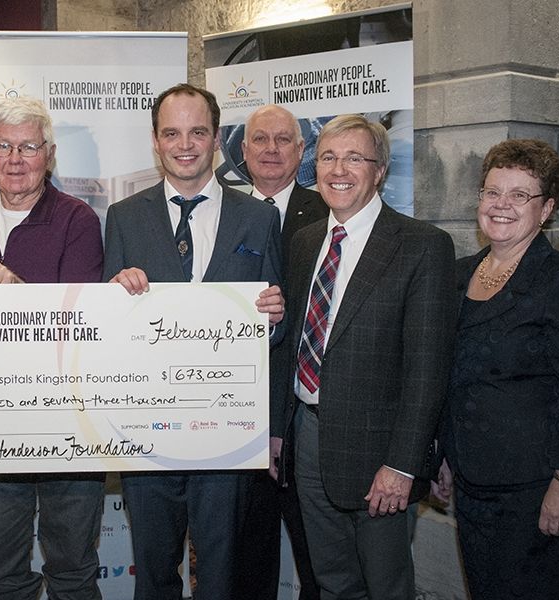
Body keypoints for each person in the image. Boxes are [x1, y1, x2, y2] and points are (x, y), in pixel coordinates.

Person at [103, 83, 285, 600]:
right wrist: (114, 300)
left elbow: (276, 327)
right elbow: (104, 336)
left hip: (227, 438)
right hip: (147, 435)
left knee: (222, 576)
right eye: (172, 133)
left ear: (216, 140)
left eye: (198, 132)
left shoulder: (258, 217)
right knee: (154, 574)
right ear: (156, 142)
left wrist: (275, 317)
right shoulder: (124, 217)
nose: (186, 144)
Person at [273, 114, 457, 599]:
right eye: (328, 157)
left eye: (355, 158)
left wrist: (402, 464)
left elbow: (427, 370)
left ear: (379, 171)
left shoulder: (422, 246)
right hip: (308, 441)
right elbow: (295, 342)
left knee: (386, 585)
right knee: (332, 582)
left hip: (380, 456)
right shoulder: (306, 240)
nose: (339, 169)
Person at [433, 139, 559, 599]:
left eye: (519, 195)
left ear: (546, 208)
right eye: (492, 192)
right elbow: (451, 378)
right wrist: (445, 453)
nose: (501, 206)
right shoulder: (457, 275)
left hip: (541, 491)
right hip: (476, 489)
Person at [0, 96, 105, 600]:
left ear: (50, 155)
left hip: (69, 419)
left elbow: (82, 324)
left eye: (29, 147)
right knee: (0, 569)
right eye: (3, 146)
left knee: (73, 566)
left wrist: (17, 292)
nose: (15, 159)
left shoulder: (78, 219)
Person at [239, 103, 328, 600]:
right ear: (241, 150)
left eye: (283, 140)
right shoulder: (221, 214)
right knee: (247, 557)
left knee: (318, 559)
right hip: (233, 412)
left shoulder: (330, 214)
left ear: (301, 151)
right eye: (260, 139)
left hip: (306, 417)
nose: (271, 149)